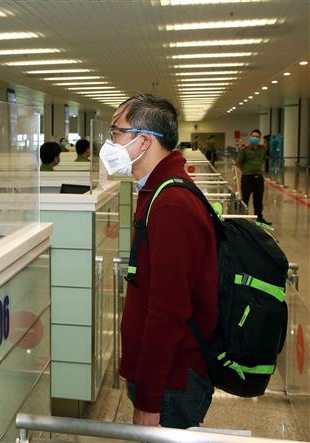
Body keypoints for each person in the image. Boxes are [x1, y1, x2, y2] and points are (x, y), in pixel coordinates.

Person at [99, 94, 217, 428]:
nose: (110, 143)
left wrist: (150, 401)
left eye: (117, 133)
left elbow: (169, 311)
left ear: (144, 141)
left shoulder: (172, 204)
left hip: (171, 382)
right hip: (163, 376)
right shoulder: (156, 191)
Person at [236, 129, 270, 225]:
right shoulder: (244, 150)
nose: (255, 138)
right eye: (253, 136)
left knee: (258, 200)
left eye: (257, 137)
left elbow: (263, 159)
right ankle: (244, 220)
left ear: (259, 139)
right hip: (247, 178)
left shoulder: (262, 150)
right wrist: (245, 170)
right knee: (245, 200)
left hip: (258, 178)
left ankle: (259, 218)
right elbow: (238, 162)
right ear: (250, 137)